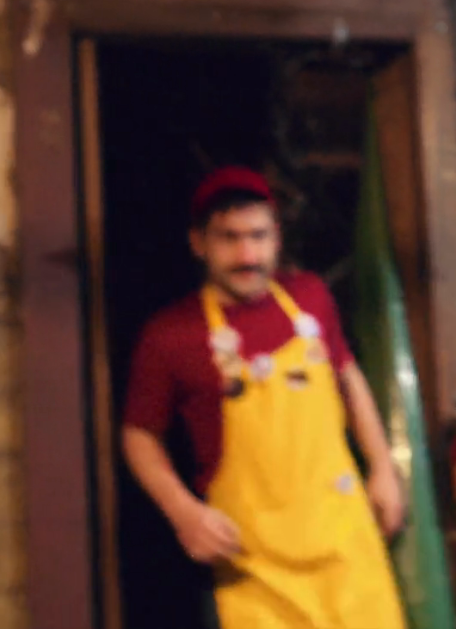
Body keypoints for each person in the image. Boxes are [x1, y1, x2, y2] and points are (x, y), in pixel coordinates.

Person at [122, 165, 408, 629]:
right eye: (229, 238)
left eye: (258, 236)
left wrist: (382, 467)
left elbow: (347, 375)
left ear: (277, 237)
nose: (247, 255)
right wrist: (183, 511)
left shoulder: (311, 298)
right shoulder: (170, 335)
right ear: (198, 243)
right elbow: (139, 434)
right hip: (254, 567)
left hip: (345, 545)